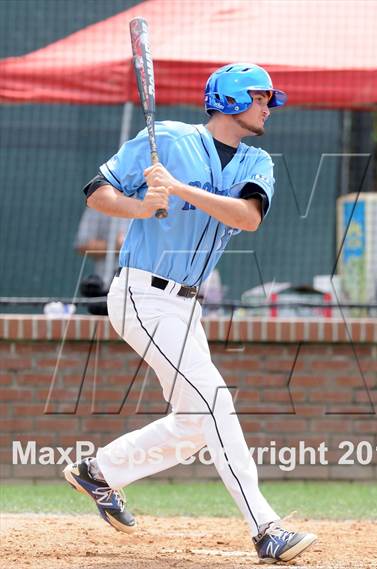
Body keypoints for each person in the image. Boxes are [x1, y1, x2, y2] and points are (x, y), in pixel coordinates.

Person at [64, 63, 317, 563]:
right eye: (260, 96)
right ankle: (266, 527)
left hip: (186, 305)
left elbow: (246, 218)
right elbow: (97, 190)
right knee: (215, 402)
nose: (270, 106)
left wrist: (177, 189)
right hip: (141, 293)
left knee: (193, 423)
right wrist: (141, 206)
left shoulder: (257, 161)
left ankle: (100, 472)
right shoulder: (166, 138)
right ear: (227, 99)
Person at [74, 208, 130, 314]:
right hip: (105, 286)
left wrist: (130, 245)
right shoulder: (100, 202)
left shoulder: (154, 201)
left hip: (141, 288)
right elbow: (82, 244)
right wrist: (116, 245)